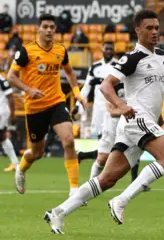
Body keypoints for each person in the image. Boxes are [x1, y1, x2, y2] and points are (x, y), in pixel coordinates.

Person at [43, 10, 164, 234]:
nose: (154, 32)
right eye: (149, 28)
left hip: (136, 125)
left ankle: (58, 212)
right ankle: (122, 200)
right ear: (138, 31)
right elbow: (106, 86)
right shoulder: (132, 58)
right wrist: (122, 105)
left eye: (157, 28)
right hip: (137, 119)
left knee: (106, 179)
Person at [7, 13, 86, 195]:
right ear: (38, 29)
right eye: (46, 27)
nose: (49, 30)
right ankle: (21, 168)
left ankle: (74, 189)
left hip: (57, 102)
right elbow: (11, 76)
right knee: (37, 153)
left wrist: (76, 93)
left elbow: (70, 72)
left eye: (52, 27)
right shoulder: (26, 51)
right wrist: (29, 90)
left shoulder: (60, 50)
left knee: (69, 141)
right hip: (34, 108)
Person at [77, 41, 149, 192]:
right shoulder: (110, 74)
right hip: (107, 119)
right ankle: (87, 188)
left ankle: (137, 182)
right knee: (103, 158)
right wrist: (78, 107)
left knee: (135, 150)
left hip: (128, 122)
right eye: (106, 48)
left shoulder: (133, 80)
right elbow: (107, 105)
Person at [0, 75, 19, 171]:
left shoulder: (2, 80)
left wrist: (13, 114)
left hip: (1, 112)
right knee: (2, 138)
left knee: (2, 137)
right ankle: (15, 163)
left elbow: (10, 97)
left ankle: (15, 163)